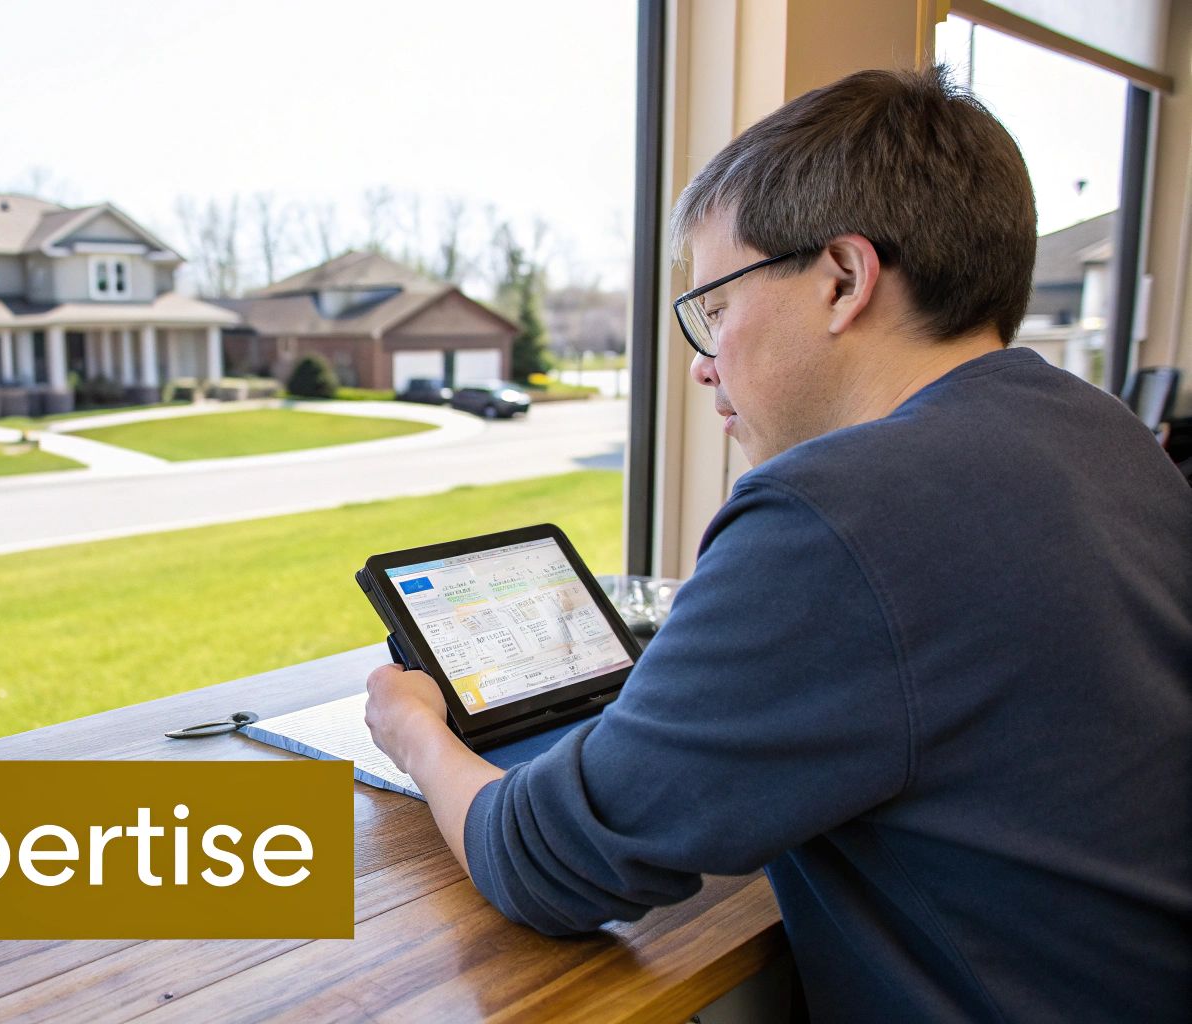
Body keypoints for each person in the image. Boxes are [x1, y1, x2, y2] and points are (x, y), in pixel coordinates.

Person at [363, 66, 1192, 1022]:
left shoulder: (841, 510)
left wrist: (413, 731)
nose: (706, 363)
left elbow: (549, 864)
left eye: (715, 308)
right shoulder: (1100, 432)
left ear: (843, 279)